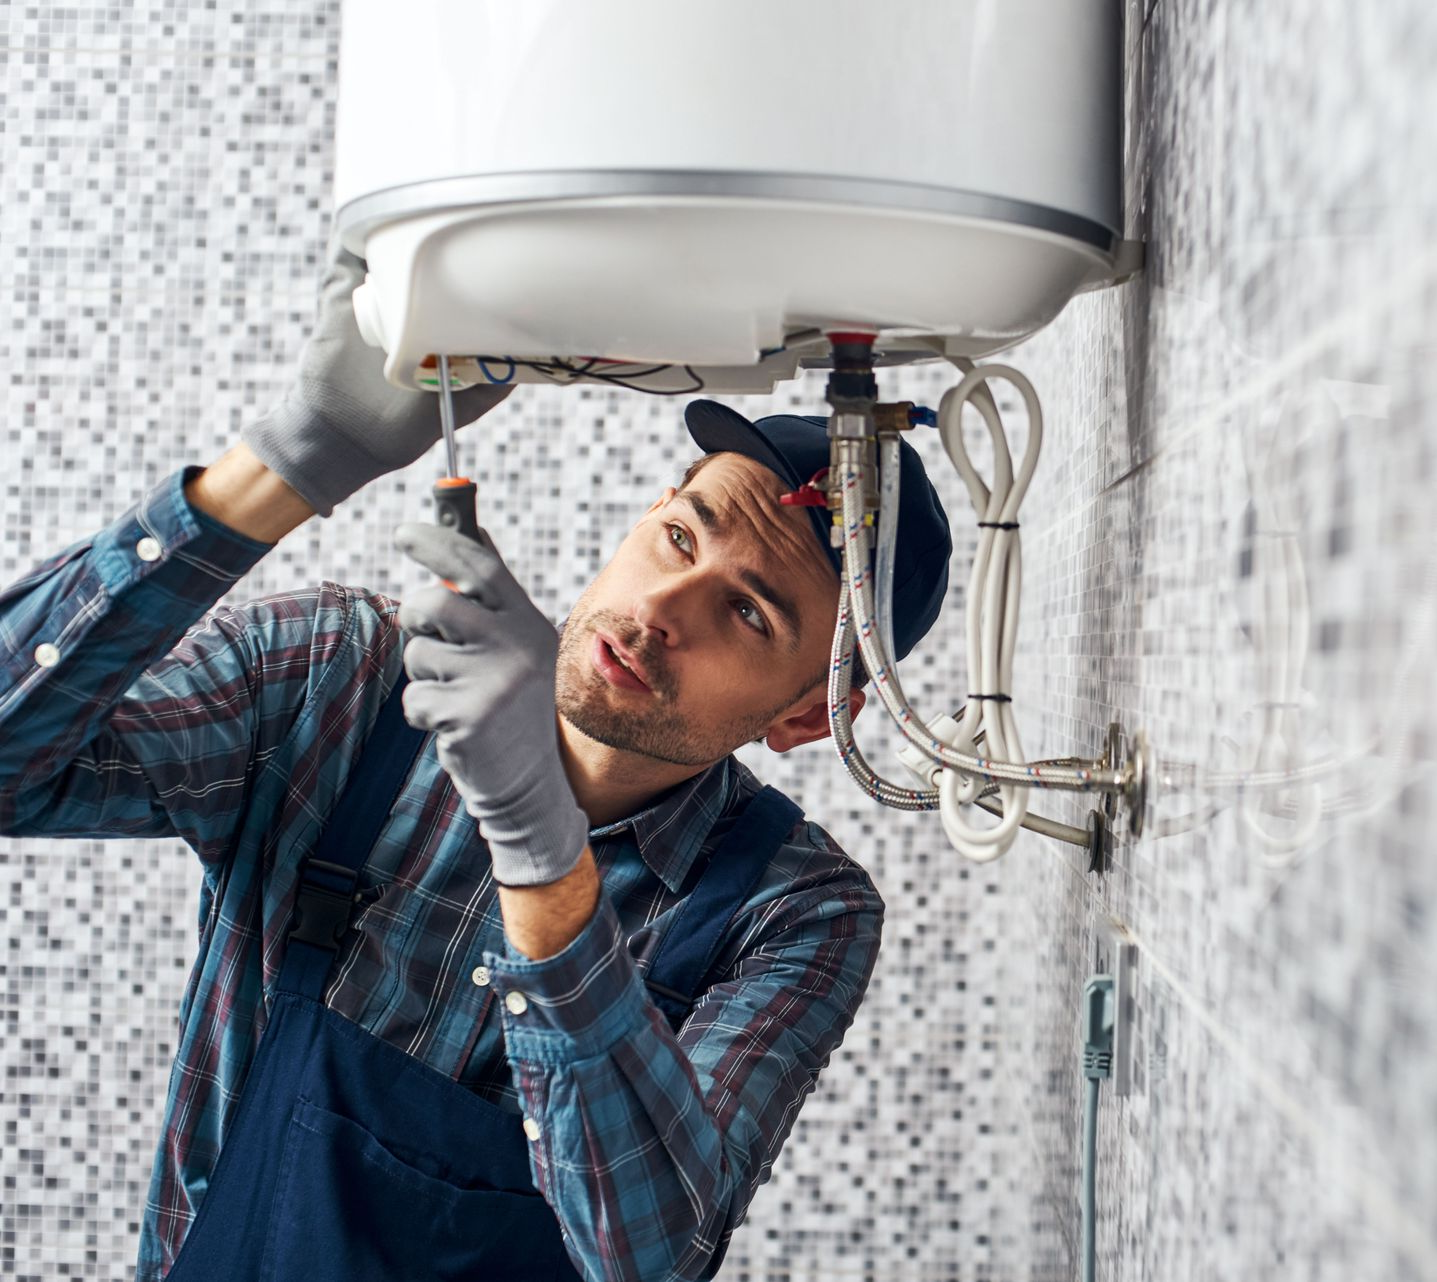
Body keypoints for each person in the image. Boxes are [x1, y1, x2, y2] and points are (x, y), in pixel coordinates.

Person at [0, 245, 952, 1282]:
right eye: (683, 536)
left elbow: (647, 1252)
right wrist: (288, 461)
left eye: (749, 612)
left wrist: (542, 854)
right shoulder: (343, 681)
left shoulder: (795, 911)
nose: (661, 612)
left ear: (810, 713)